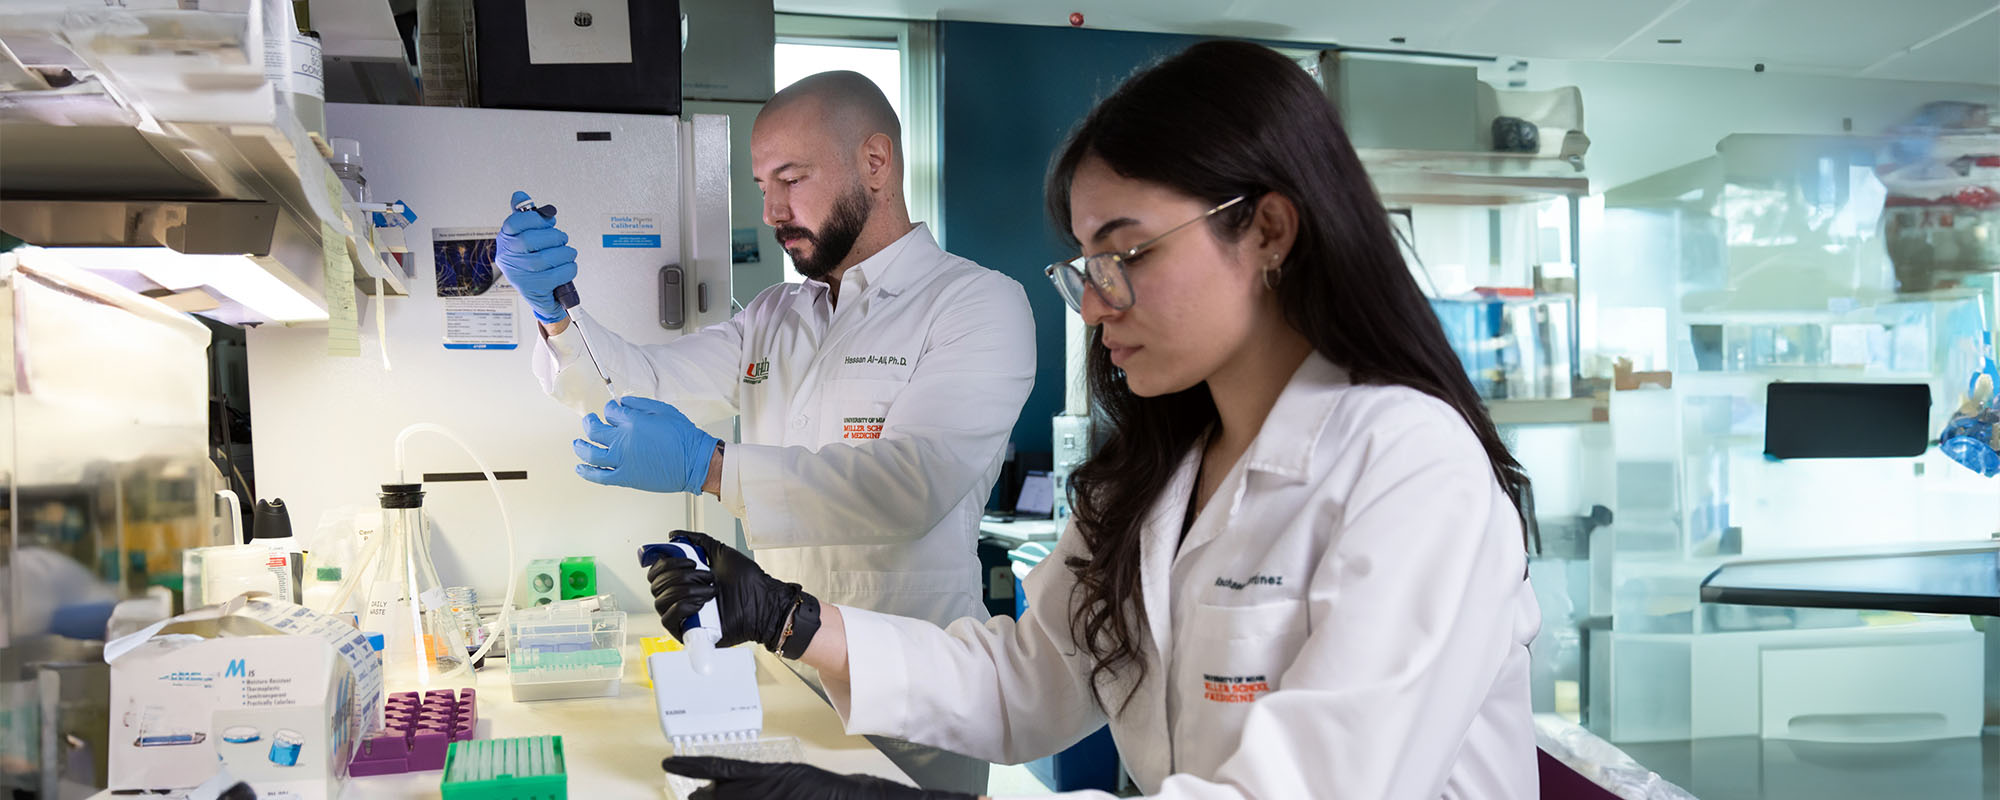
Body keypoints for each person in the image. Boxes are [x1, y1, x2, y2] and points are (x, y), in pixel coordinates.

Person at [645, 40, 1542, 800]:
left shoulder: (1411, 470)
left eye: (1125, 253)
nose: (1094, 303)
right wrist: (792, 620)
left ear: (1267, 230)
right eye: (1083, 263)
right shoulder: (1154, 477)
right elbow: (1026, 679)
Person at [493, 71, 1035, 794]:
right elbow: (636, 385)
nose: (773, 208)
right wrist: (556, 314)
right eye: (761, 184)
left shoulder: (976, 303)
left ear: (875, 164)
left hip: (914, 707)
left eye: (792, 178)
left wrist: (710, 467)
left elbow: (911, 487)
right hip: (781, 686)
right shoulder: (776, 315)